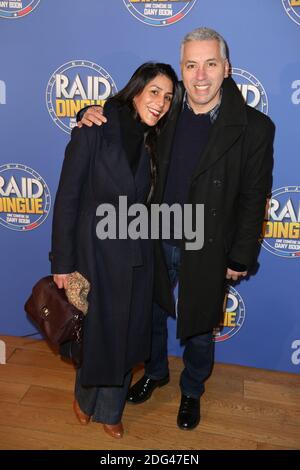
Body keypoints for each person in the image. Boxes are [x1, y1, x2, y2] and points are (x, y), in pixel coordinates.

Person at [78, 27, 275, 431]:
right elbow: (122, 115)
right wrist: (87, 113)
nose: (200, 76)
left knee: (199, 323)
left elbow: (254, 197)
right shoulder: (164, 108)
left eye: (210, 64)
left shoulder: (255, 128)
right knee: (147, 313)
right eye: (191, 65)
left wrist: (241, 255)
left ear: (226, 68)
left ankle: (192, 389)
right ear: (182, 69)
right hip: (155, 232)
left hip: (209, 240)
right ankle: (155, 371)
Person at [50, 62, 179, 439]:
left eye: (168, 97)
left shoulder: (157, 137)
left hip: (136, 252)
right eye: (154, 91)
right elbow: (68, 198)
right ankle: (85, 399)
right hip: (93, 252)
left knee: (126, 335)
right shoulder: (95, 127)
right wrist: (63, 261)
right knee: (95, 333)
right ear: (135, 90)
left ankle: (111, 408)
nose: (161, 102)